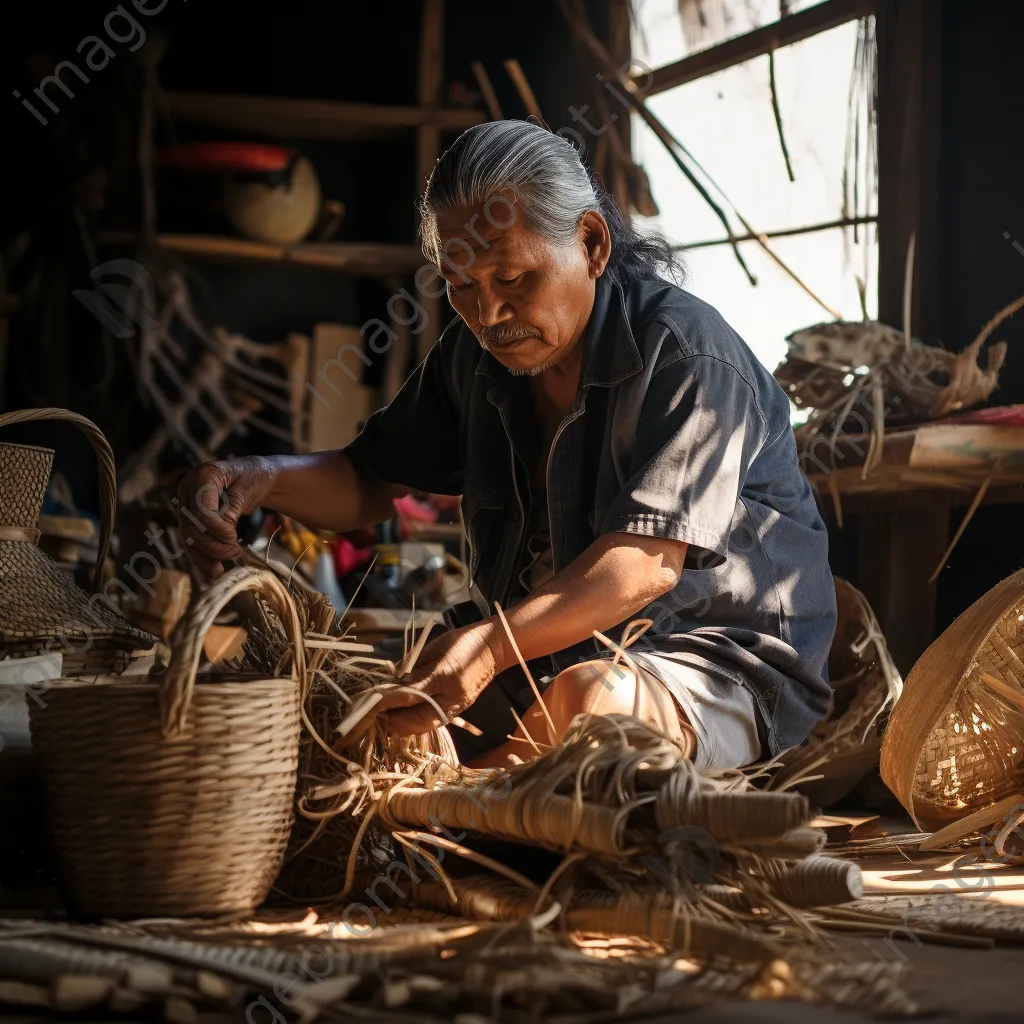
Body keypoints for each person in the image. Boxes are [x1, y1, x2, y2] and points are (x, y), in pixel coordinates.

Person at [174, 120, 836, 771]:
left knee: (585, 705)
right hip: (545, 652)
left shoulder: (685, 355)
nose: (488, 314)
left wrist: (490, 646)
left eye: (514, 278)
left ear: (591, 242)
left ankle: (462, 816)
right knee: (372, 715)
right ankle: (463, 804)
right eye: (461, 286)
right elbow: (364, 481)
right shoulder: (475, 356)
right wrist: (248, 476)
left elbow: (644, 565)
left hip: (719, 663)